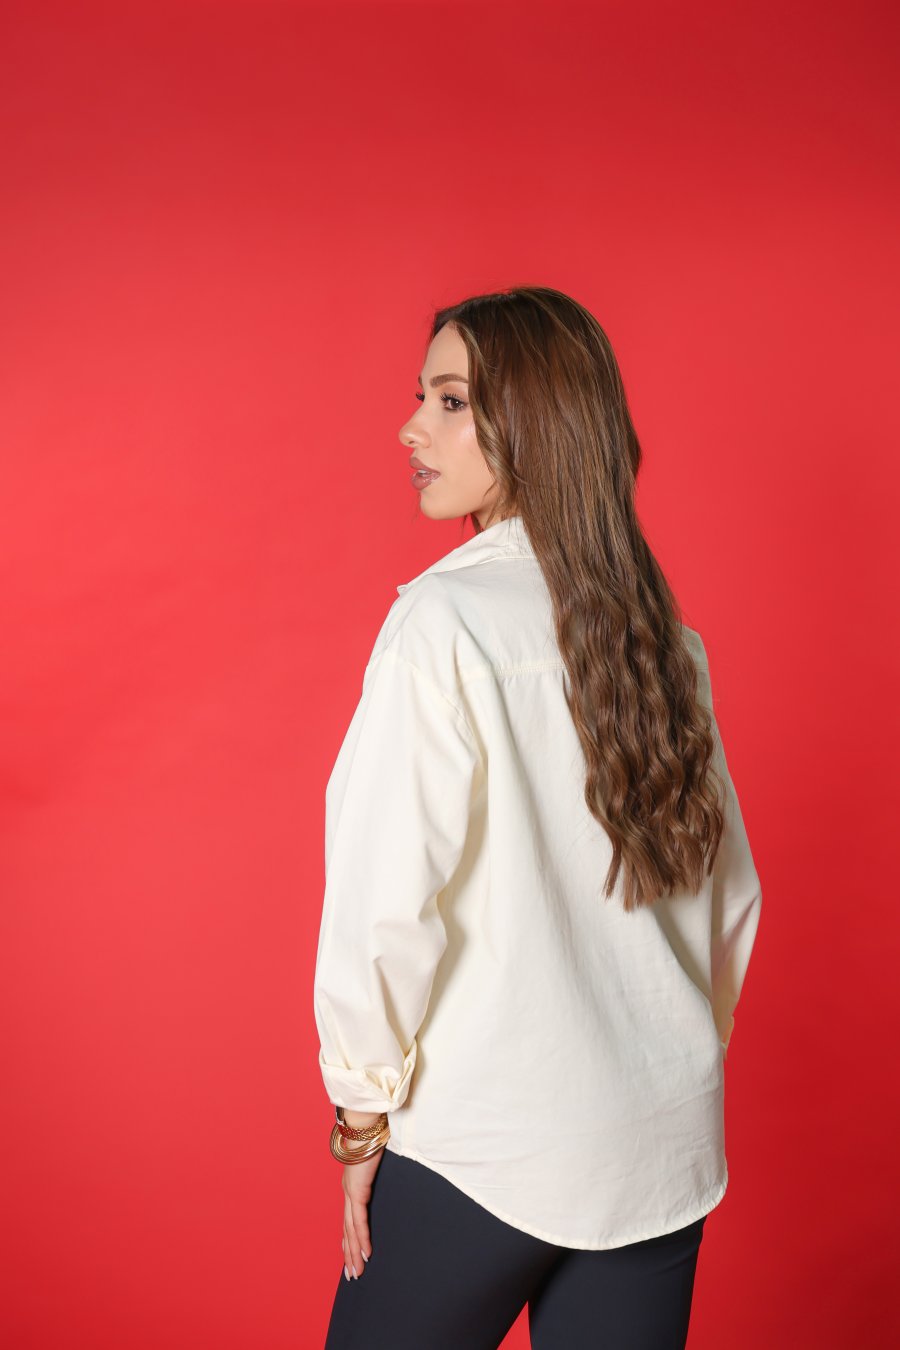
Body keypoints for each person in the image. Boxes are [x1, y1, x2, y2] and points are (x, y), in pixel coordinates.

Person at [312, 285, 763, 1349]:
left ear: (533, 422)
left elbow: (385, 901)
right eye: (421, 396)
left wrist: (360, 1116)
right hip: (657, 1147)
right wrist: (667, 1048)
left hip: (489, 1145)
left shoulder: (444, 623)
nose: (412, 428)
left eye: (451, 400)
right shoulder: (665, 639)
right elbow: (730, 899)